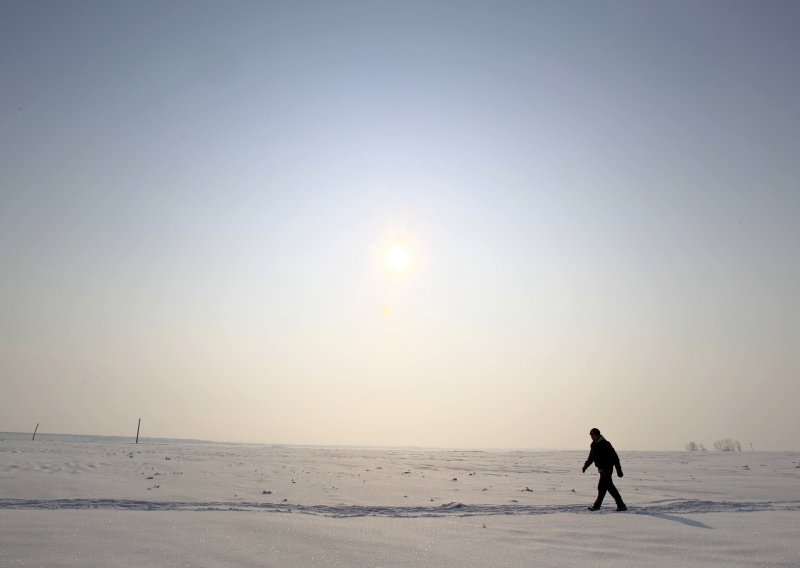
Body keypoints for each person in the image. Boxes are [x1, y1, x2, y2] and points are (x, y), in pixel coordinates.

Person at [582, 427, 627, 511]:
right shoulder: (593, 445)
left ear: (598, 435)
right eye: (591, 435)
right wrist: (586, 466)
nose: (591, 437)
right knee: (608, 487)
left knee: (602, 487)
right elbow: (591, 457)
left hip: (607, 469)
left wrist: (619, 469)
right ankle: (621, 505)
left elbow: (615, 457)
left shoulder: (606, 444)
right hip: (601, 469)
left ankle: (597, 506)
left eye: (593, 435)